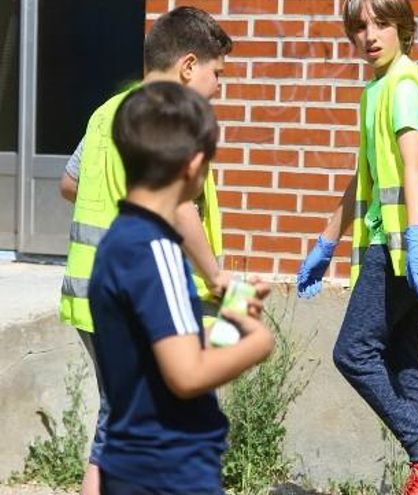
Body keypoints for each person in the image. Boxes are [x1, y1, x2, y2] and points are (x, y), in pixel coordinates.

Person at [295, 0, 418, 493]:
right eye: (359, 26)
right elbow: (366, 176)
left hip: (399, 250)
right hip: (393, 243)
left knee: (354, 352)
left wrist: (417, 241)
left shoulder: (403, 85)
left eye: (381, 24)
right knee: (400, 359)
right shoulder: (377, 90)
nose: (369, 35)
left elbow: (413, 164)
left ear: (403, 28)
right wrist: (327, 240)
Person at [56, 7, 232, 493]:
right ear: (189, 66)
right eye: (218, 74)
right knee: (126, 423)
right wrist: (216, 275)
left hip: (88, 291)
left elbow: (68, 184)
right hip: (134, 297)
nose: (219, 88)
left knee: (118, 418)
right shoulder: (170, 119)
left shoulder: (106, 113)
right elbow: (180, 209)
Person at [89, 81, 274, 494]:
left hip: (131, 466)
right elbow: (187, 375)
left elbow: (168, 347)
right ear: (193, 166)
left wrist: (233, 320)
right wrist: (257, 343)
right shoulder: (158, 249)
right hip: (171, 470)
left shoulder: (119, 242)